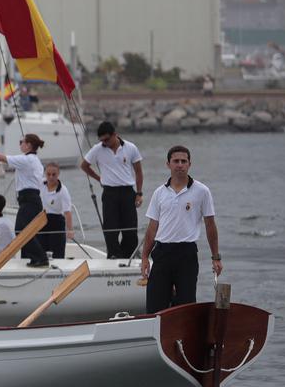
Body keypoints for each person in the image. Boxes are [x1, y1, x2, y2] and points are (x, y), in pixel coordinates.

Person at [140, 145, 220, 314]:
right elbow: (152, 229)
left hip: (187, 254)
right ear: (168, 164)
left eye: (184, 161)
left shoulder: (202, 191)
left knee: (186, 306)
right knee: (155, 305)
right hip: (162, 252)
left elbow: (210, 226)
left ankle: (185, 339)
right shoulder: (159, 193)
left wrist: (216, 258)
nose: (180, 165)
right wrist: (145, 257)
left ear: (189, 164)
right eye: (176, 161)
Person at [0, 134, 49, 267]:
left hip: (29, 199)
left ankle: (41, 258)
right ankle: (32, 258)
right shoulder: (34, 160)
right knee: (25, 231)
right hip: (31, 199)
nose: (20, 144)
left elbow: (1, 157)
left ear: (29, 145)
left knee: (21, 230)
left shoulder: (27, 160)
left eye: (21, 142)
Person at [80, 121, 144, 259]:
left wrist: (139, 193)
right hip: (109, 193)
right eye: (101, 140)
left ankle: (128, 255)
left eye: (107, 139)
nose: (104, 142)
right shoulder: (98, 149)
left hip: (128, 192)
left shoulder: (131, 147)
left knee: (130, 228)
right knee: (111, 228)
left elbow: (138, 172)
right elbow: (84, 165)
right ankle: (114, 255)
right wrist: (99, 179)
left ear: (115, 134)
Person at [39, 162, 74, 259]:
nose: (51, 177)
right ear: (45, 174)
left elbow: (67, 212)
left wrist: (70, 230)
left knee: (57, 252)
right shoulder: (40, 184)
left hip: (56, 221)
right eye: (48, 174)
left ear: (58, 174)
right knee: (41, 250)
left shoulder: (63, 191)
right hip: (42, 220)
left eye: (54, 174)